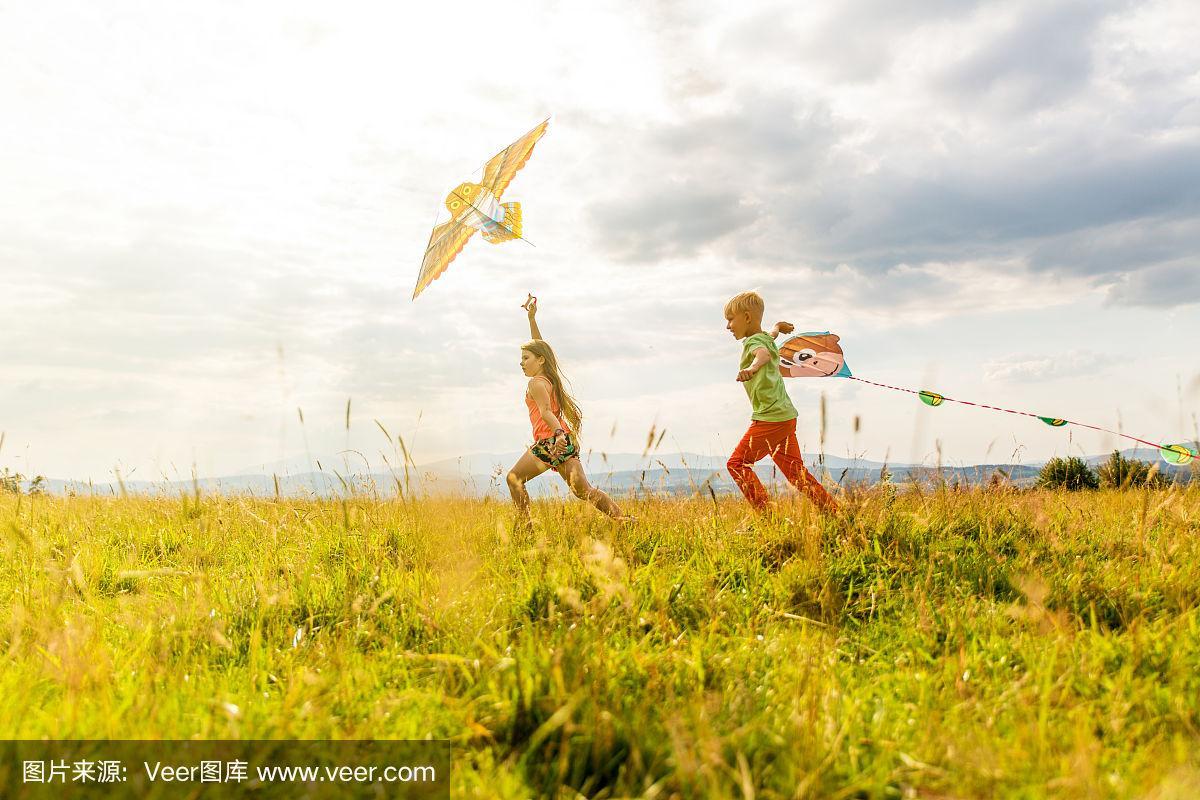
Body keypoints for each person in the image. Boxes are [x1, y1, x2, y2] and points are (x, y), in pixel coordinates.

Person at [505, 294, 630, 529]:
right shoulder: (547, 376)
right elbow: (540, 347)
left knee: (513, 479)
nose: (521, 363)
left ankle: (527, 527)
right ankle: (623, 520)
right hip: (564, 439)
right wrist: (532, 319)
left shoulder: (536, 383)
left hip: (551, 441)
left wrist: (558, 434)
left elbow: (544, 412)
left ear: (539, 360)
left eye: (525, 358)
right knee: (583, 491)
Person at [724, 291, 838, 515]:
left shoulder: (754, 343)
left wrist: (752, 368)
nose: (728, 326)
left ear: (747, 317)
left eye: (730, 319)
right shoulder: (764, 336)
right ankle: (836, 514)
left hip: (770, 418)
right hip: (785, 416)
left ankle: (768, 516)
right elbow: (771, 336)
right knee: (796, 473)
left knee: (736, 464)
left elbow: (763, 355)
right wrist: (778, 326)